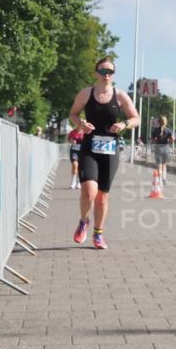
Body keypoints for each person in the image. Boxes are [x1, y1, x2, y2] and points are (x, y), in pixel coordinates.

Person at [68, 58, 140, 249]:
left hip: (110, 150)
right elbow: (73, 113)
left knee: (102, 197)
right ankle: (83, 221)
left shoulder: (120, 96)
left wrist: (124, 124)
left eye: (110, 71)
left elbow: (136, 118)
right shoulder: (86, 94)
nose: (106, 74)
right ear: (96, 73)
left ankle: (98, 234)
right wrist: (81, 124)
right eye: (103, 71)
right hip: (89, 148)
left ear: (113, 74)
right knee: (88, 191)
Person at [150, 116, 174, 185]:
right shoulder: (169, 130)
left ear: (158, 122)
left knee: (159, 166)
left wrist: (156, 140)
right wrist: (168, 141)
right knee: (164, 165)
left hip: (158, 148)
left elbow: (152, 140)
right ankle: (164, 178)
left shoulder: (155, 130)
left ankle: (160, 181)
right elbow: (172, 139)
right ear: (166, 122)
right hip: (166, 148)